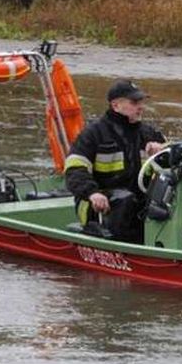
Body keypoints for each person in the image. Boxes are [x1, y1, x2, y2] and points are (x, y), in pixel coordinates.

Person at [65, 79, 167, 243]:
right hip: (96, 204)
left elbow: (176, 163)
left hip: (139, 201)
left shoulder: (148, 133)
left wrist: (163, 152)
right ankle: (123, 249)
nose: (140, 106)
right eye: (134, 102)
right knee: (125, 199)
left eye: (141, 102)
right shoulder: (93, 134)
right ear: (115, 105)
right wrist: (92, 193)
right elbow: (74, 170)